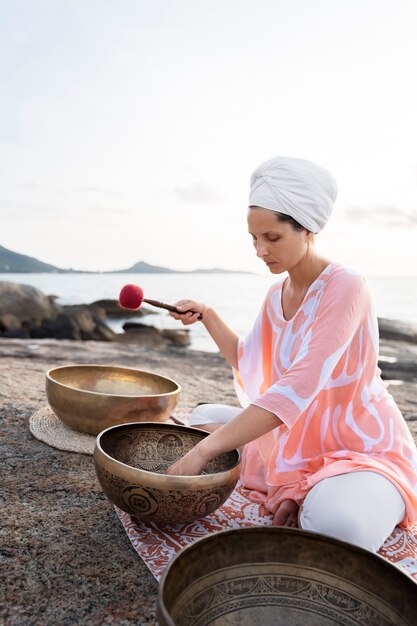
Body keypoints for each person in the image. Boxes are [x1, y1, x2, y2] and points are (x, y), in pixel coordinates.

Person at [166, 156, 417, 553]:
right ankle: (301, 483)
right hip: (302, 433)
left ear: (308, 229)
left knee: (337, 528)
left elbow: (298, 384)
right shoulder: (275, 294)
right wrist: (208, 315)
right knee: (202, 418)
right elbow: (248, 358)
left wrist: (205, 450)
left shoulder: (345, 285)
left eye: (272, 237)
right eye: (254, 238)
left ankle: (312, 489)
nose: (260, 250)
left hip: (360, 443)